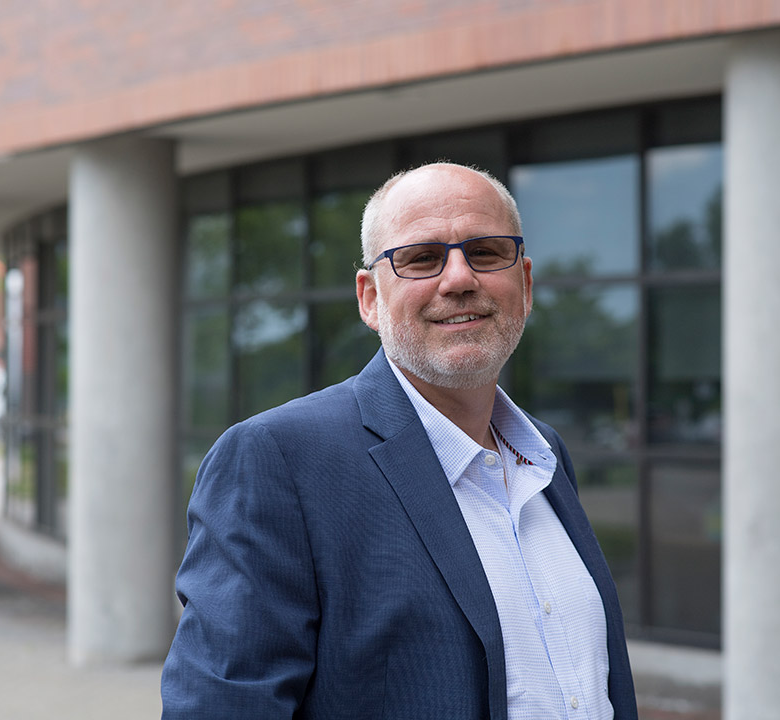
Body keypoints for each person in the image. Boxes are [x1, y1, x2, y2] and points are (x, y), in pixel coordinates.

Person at [161, 162, 638, 719]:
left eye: (485, 252)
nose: (459, 278)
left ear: (525, 285)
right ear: (370, 299)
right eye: (421, 258)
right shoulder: (278, 461)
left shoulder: (544, 455)